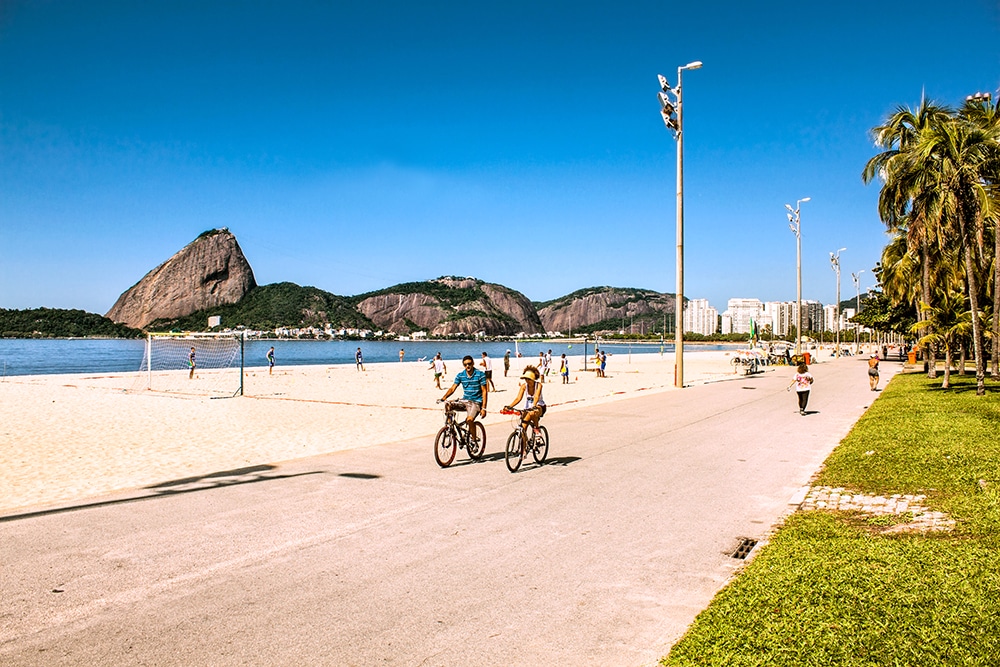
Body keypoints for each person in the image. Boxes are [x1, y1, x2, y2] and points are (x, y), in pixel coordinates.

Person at [440, 355, 488, 436]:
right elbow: (452, 388)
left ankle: (473, 440)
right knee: (448, 405)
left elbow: (484, 391)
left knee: (469, 420)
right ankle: (450, 427)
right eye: (465, 364)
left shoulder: (480, 374)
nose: (467, 366)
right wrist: (444, 397)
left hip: (476, 402)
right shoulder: (461, 375)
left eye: (469, 364)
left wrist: (483, 408)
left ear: (473, 363)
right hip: (465, 400)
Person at [504, 365, 545, 442]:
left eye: (529, 379)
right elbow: (518, 398)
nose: (527, 381)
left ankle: (537, 429)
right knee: (523, 428)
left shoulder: (538, 385)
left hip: (539, 406)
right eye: (526, 379)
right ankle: (523, 451)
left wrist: (534, 405)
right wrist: (509, 406)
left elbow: (536, 396)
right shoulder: (523, 386)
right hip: (527, 407)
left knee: (532, 412)